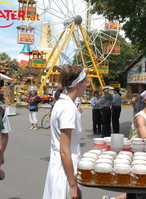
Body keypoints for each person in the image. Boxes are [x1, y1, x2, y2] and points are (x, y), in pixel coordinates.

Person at [43, 65, 88, 199]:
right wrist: (73, 185)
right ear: (79, 84)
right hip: (66, 171)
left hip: (60, 166)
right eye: (86, 82)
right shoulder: (68, 108)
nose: (87, 86)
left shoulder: (61, 103)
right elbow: (64, 150)